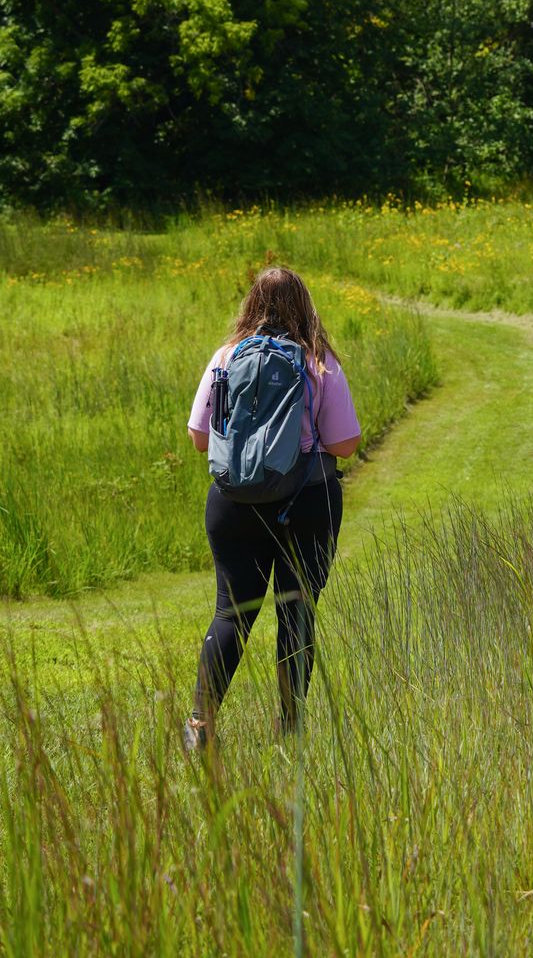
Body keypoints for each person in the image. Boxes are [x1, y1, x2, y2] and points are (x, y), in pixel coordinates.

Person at [183, 266, 361, 753]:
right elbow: (345, 445)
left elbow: (200, 439)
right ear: (305, 305)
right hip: (306, 504)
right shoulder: (318, 362)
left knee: (231, 613)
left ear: (250, 304)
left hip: (232, 503)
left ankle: (199, 727)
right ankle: (289, 728)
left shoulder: (226, 357)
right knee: (297, 611)